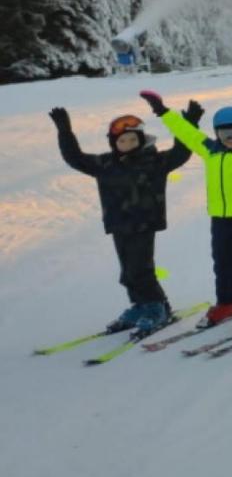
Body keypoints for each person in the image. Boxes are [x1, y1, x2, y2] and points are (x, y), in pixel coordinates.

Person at [49, 101, 202, 336]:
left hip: (144, 223)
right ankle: (141, 304)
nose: (128, 145)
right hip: (119, 224)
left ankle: (156, 307)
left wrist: (189, 124)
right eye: (122, 141)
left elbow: (182, 152)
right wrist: (65, 131)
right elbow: (75, 158)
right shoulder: (105, 164)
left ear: (142, 140)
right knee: (128, 271)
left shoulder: (155, 161)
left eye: (133, 140)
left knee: (141, 268)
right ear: (114, 144)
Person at [143, 90, 232, 329]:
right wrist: (162, 111)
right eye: (226, 132)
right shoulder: (210, 150)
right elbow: (186, 132)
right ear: (217, 133)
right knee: (222, 260)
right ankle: (229, 301)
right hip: (219, 215)